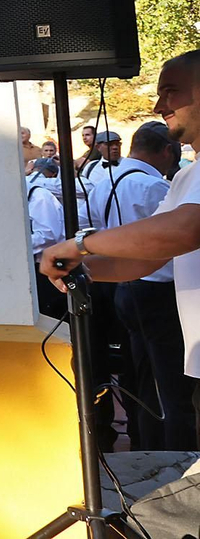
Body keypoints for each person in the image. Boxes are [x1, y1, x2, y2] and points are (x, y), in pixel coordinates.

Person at [44, 55, 200, 450]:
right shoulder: (186, 175)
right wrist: (82, 268)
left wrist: (80, 245)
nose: (159, 106)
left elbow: (184, 231)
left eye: (171, 92)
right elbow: (147, 258)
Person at [94, 122, 195, 450]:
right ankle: (172, 451)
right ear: (167, 151)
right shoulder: (154, 185)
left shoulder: (102, 180)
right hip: (155, 291)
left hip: (126, 286)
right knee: (171, 386)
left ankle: (144, 443)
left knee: (139, 378)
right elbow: (161, 243)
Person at [27, 160, 67, 320]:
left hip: (46, 269)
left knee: (50, 315)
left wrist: (14, 245)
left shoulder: (39, 198)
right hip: (32, 268)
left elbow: (47, 235)